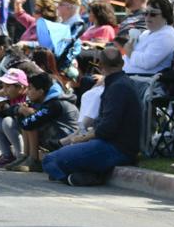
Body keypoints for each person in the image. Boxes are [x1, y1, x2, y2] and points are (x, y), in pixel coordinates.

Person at [43, 47, 141, 185]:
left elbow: (107, 129)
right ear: (122, 64)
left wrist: (81, 139)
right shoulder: (121, 83)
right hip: (114, 145)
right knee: (61, 158)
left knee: (50, 160)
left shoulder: (118, 87)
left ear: (100, 66)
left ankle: (81, 178)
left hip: (116, 148)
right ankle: (88, 172)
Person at [10, 72, 80, 173]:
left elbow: (28, 124)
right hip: (55, 139)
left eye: (30, 88)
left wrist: (24, 112)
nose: (27, 92)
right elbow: (11, 113)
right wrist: (20, 110)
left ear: (40, 91)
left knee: (31, 122)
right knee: (28, 118)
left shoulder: (55, 104)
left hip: (66, 143)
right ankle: (26, 156)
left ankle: (33, 160)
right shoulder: (44, 101)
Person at [123, 0, 174, 77]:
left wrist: (130, 53)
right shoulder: (147, 33)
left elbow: (147, 62)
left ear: (166, 16)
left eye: (153, 14)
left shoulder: (167, 36)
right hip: (131, 78)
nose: (147, 17)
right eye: (145, 13)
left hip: (145, 83)